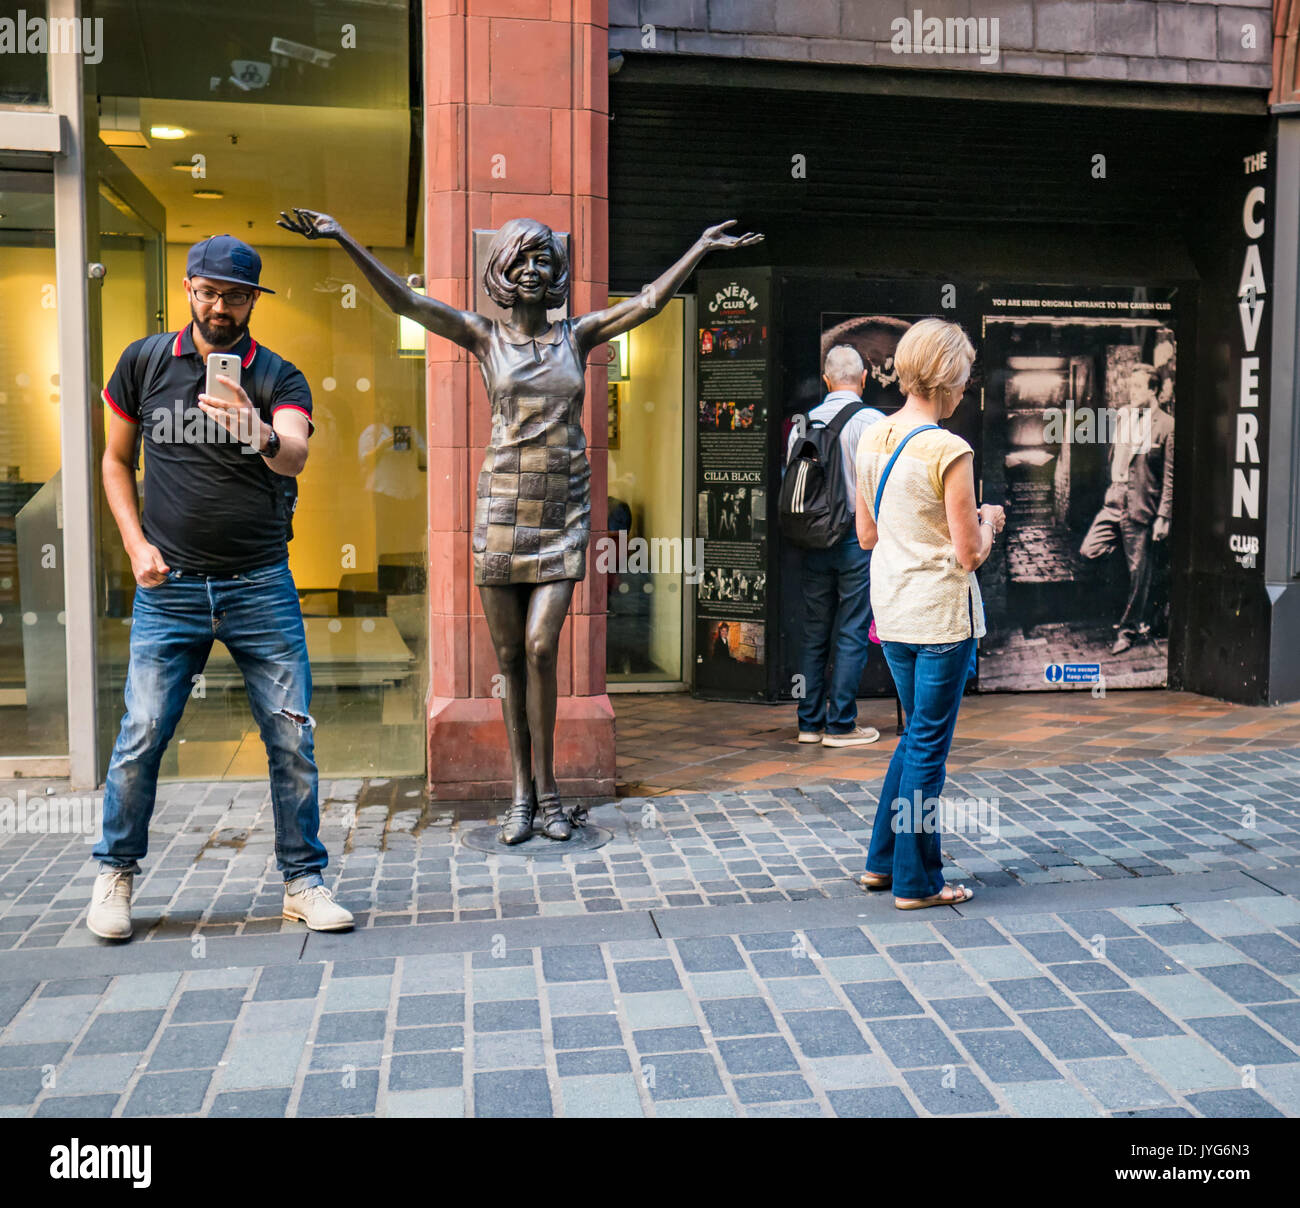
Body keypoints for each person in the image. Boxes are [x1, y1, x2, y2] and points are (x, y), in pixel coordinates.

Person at [278, 207, 762, 844]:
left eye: (544, 260)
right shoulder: (483, 337)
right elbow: (406, 300)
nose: (533, 270)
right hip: (501, 510)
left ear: (556, 272)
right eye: (521, 261)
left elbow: (647, 302)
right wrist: (344, 235)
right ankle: (521, 795)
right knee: (508, 655)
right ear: (501, 271)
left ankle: (552, 791)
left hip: (561, 510)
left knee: (540, 647)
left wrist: (698, 246)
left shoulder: (578, 336)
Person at [88, 235, 353, 941]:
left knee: (292, 736)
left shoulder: (277, 376)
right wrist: (135, 546)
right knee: (142, 734)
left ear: (252, 302)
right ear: (188, 289)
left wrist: (257, 432)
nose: (220, 306)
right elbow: (115, 462)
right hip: (169, 587)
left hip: (259, 583)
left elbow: (294, 455)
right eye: (208, 291)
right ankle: (114, 873)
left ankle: (303, 882)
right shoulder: (143, 363)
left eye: (235, 295)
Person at [855, 318, 1005, 909]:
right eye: (964, 373)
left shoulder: (873, 437)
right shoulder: (950, 448)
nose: (967, 385)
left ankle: (882, 864)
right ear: (947, 375)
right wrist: (991, 520)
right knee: (927, 750)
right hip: (942, 616)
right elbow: (969, 553)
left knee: (914, 737)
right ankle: (920, 883)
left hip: (891, 610)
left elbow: (866, 534)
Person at [788, 344, 886, 747]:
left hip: (812, 537)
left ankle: (809, 723)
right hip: (855, 538)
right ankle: (841, 724)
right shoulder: (873, 422)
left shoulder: (802, 423)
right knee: (851, 629)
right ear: (864, 379)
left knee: (815, 630)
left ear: (826, 380)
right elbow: (882, 487)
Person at [1079, 362, 1174, 654]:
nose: (1130, 392)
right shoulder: (1123, 417)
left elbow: (1171, 476)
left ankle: (1129, 630)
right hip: (1114, 499)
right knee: (1090, 549)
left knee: (1139, 574)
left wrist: (1163, 516)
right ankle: (1136, 607)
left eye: (1137, 387)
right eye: (1129, 387)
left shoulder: (1167, 426)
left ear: (1153, 390)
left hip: (1141, 506)